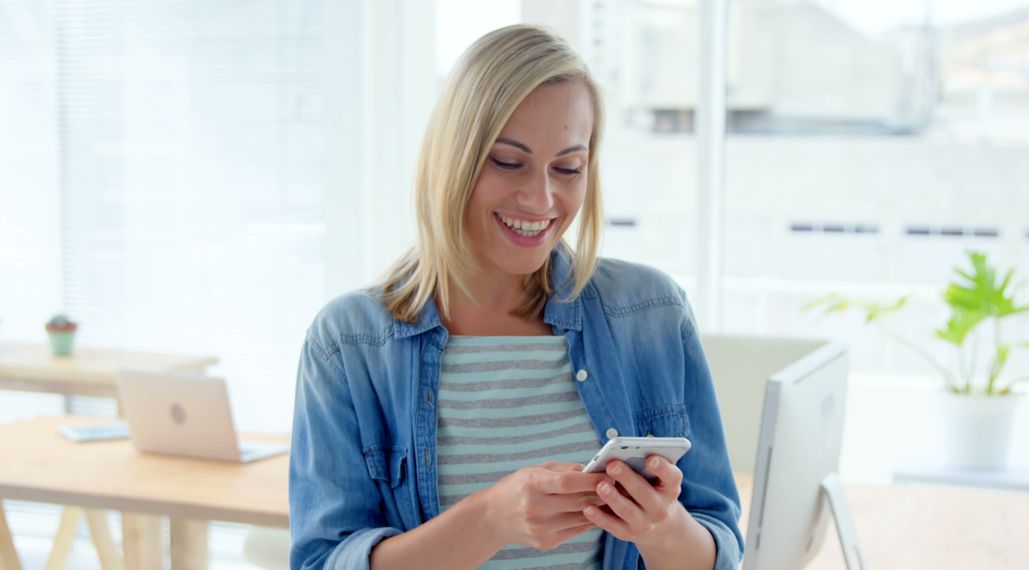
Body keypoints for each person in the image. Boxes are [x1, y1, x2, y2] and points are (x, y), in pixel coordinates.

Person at [289, 24, 744, 570]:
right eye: (508, 161)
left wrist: (663, 528)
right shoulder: (349, 343)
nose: (541, 198)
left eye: (568, 168)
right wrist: (490, 519)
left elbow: (720, 548)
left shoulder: (650, 314)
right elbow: (322, 561)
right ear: (453, 159)